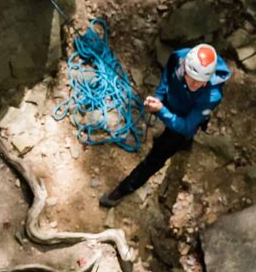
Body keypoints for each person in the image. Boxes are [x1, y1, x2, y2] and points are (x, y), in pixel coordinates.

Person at [99, 44, 230, 207]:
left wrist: (161, 110)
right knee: (190, 127)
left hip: (184, 121)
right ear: (185, 69)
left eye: (202, 82)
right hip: (174, 103)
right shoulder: (179, 57)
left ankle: (122, 190)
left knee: (156, 157)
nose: (198, 86)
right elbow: (167, 77)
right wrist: (159, 97)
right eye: (194, 80)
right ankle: (186, 142)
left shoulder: (212, 95)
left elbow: (187, 126)